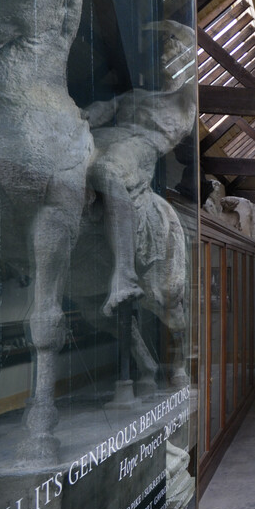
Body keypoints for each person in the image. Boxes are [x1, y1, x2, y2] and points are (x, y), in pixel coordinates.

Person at [83, 20, 196, 316]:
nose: (166, 59)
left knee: (106, 170)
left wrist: (171, 28)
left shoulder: (185, 102)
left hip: (141, 148)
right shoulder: (137, 95)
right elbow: (101, 110)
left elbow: (194, 60)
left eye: (174, 54)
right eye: (164, 53)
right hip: (108, 137)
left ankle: (124, 275)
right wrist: (80, 115)